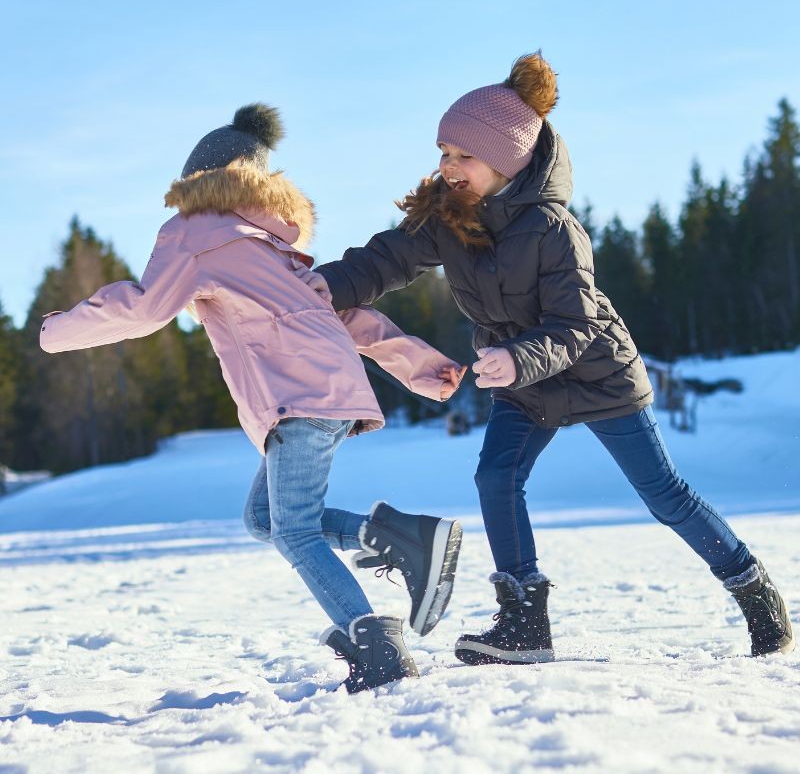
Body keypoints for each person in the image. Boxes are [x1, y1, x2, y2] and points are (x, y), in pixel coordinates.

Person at [313, 53, 794, 663]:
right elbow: (382, 261)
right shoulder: (446, 219)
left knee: (664, 494)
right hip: (524, 381)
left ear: (506, 161)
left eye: (463, 156)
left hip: (597, 373)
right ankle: (523, 624)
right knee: (497, 477)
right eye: (443, 152)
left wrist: (517, 359)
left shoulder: (553, 227)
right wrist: (329, 286)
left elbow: (576, 324)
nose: (447, 167)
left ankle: (754, 592)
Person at [39, 104, 466, 693]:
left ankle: (376, 644)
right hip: (330, 394)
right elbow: (351, 317)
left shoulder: (193, 233)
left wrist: (57, 331)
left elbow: (143, 308)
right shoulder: (272, 247)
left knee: (293, 531)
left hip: (297, 398)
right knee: (264, 518)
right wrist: (424, 368)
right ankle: (393, 537)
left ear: (197, 180)